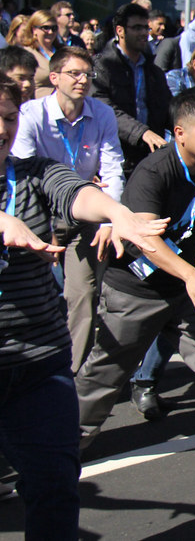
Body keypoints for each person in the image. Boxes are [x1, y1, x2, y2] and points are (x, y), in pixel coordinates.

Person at [0, 75, 167, 538]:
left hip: (38, 362)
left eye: (9, 117)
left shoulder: (33, 172)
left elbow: (77, 193)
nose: (1, 128)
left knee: (55, 483)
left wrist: (119, 214)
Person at [76, 91, 195, 469]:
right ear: (180, 133)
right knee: (105, 373)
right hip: (136, 289)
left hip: (184, 289)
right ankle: (61, 447)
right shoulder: (154, 171)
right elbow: (144, 239)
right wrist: (191, 273)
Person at [12, 47, 125, 374]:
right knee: (38, 293)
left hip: (86, 212)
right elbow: (25, 171)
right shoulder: (32, 114)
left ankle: (68, 373)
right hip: (40, 215)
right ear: (55, 77)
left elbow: (113, 168)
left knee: (83, 295)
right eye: (74, 73)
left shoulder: (101, 113)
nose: (82, 80)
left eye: (87, 74)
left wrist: (109, 219)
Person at [92, 2, 172, 176]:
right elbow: (102, 107)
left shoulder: (154, 71)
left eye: (146, 28)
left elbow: (168, 109)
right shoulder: (102, 66)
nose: (144, 33)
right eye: (137, 28)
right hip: (114, 157)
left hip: (149, 157)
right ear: (120, 31)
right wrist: (141, 132)